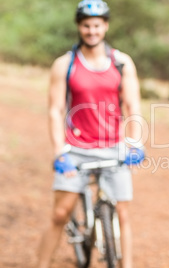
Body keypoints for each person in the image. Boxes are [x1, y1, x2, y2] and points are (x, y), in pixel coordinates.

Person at [36, 1, 144, 267]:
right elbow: (55, 110)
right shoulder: (65, 64)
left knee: (123, 213)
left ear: (105, 26)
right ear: (79, 26)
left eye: (97, 25)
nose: (91, 30)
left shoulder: (121, 62)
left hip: (113, 146)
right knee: (60, 214)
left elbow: (132, 106)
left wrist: (135, 142)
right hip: (76, 148)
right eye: (86, 25)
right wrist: (60, 152)